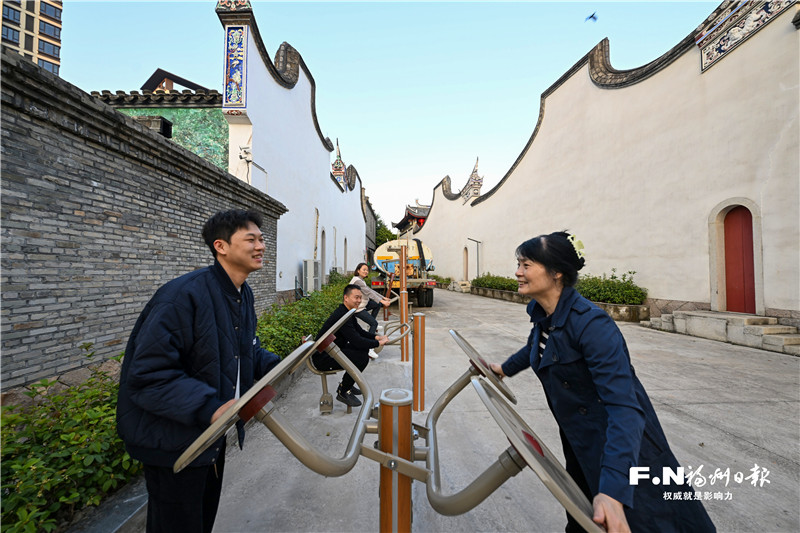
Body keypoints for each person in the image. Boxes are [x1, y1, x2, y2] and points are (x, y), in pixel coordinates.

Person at [489, 231, 715, 533]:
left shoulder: (592, 324)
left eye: (526, 264)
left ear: (556, 272)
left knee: (648, 523)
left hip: (622, 455)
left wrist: (613, 491)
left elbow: (625, 408)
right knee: (584, 521)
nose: (517, 272)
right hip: (580, 446)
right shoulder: (545, 315)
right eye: (518, 264)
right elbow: (536, 348)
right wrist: (502, 369)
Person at [116, 209, 281, 533]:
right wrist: (210, 406)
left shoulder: (241, 294)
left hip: (209, 435)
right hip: (174, 440)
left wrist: (280, 363)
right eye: (251, 239)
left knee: (202, 521)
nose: (261, 246)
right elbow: (148, 376)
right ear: (221, 246)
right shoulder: (182, 296)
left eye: (262, 239)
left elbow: (242, 349)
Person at [313, 284, 388, 407]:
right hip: (323, 358)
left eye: (360, 298)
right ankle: (343, 391)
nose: (359, 301)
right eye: (356, 297)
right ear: (346, 298)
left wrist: (376, 337)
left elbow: (359, 331)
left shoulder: (348, 312)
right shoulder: (342, 315)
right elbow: (356, 340)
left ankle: (347, 384)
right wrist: (378, 343)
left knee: (362, 352)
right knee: (362, 357)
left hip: (334, 351)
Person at [349, 262, 391, 357]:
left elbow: (370, 290)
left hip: (362, 305)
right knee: (374, 323)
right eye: (364, 269)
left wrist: (382, 298)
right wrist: (383, 301)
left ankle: (371, 327)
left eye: (367, 270)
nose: (366, 272)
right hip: (357, 308)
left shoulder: (360, 280)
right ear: (358, 270)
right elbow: (368, 292)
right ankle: (369, 349)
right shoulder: (357, 281)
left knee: (377, 304)